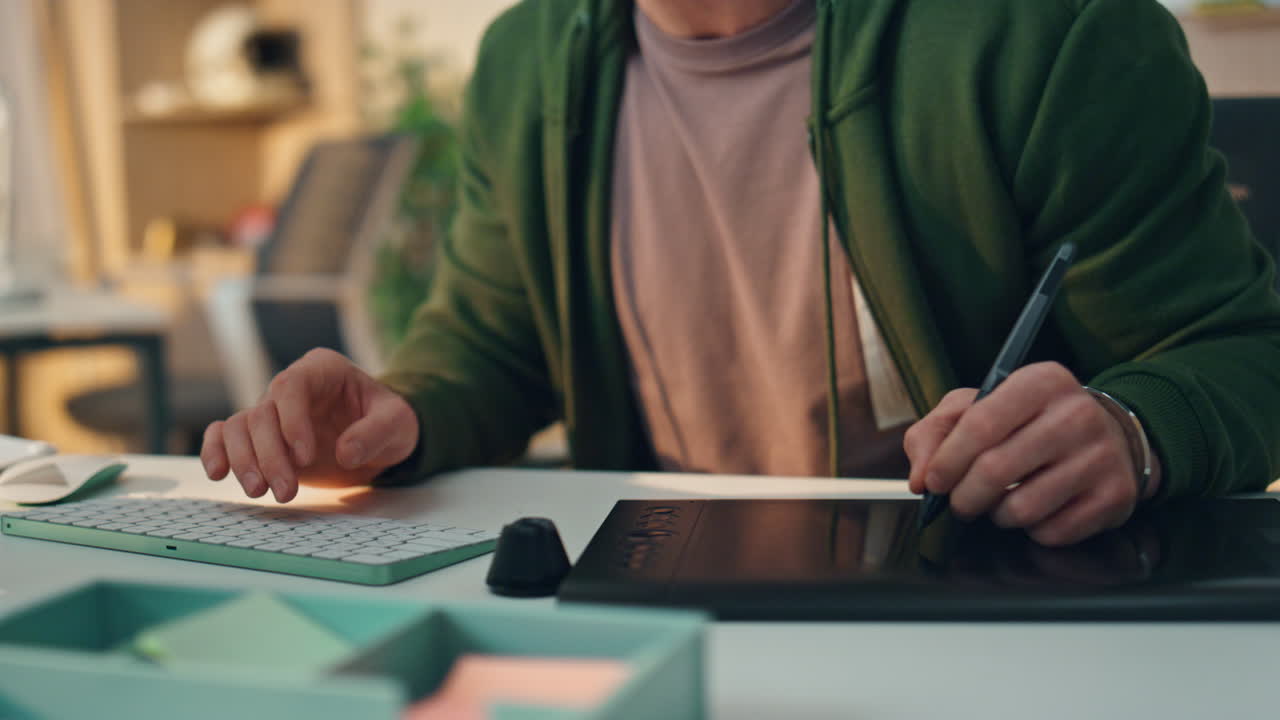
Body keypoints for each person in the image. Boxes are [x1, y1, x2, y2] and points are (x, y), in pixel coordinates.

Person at [200, 0, 1280, 547]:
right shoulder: (527, 56)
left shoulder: (1048, 31)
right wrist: (402, 410)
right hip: (653, 594)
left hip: (966, 597)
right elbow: (496, 339)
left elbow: (1239, 353)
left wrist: (1134, 432)